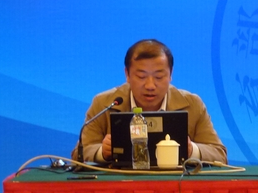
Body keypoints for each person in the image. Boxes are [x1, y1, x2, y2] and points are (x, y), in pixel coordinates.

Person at [72, 39, 227, 164]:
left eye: (159, 77)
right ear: (127, 74)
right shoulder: (105, 103)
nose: (150, 86)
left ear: (170, 74)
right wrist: (102, 151)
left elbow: (219, 154)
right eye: (141, 76)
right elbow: (78, 153)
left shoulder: (192, 104)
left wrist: (192, 149)